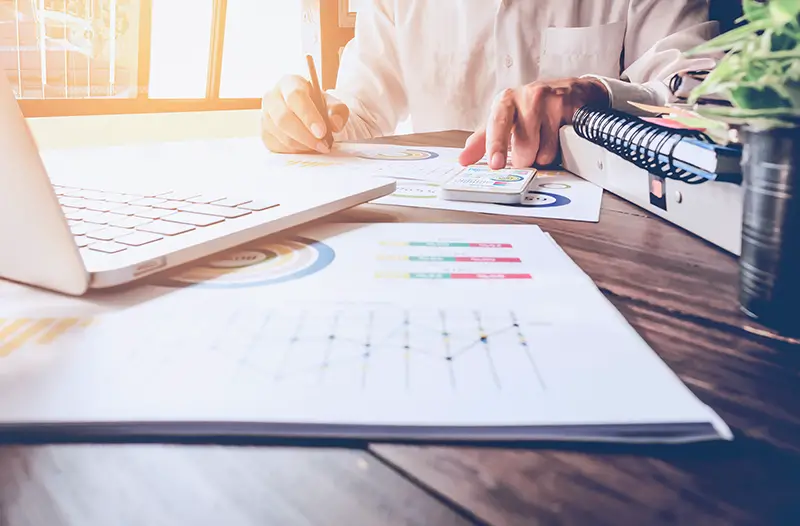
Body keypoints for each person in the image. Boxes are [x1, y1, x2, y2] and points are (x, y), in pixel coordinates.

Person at [260, 0, 718, 170]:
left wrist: (598, 93)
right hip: (442, 225)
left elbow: (706, 89)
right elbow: (359, 113)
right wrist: (311, 120)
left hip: (606, 230)